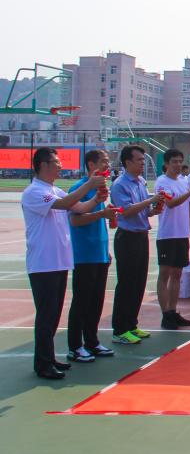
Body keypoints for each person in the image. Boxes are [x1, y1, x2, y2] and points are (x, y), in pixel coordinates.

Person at [24, 148, 108, 378]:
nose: (60, 166)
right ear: (43, 165)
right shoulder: (34, 192)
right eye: (56, 162)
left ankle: (49, 358)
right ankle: (43, 364)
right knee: (46, 315)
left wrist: (96, 200)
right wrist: (89, 185)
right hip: (43, 263)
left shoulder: (54, 190)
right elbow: (65, 204)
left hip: (59, 262)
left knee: (53, 314)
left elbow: (78, 207)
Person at [67, 149, 120, 362]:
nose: (107, 165)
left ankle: (92, 341)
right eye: (103, 161)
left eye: (108, 161)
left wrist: (105, 250)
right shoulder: (79, 189)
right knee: (81, 301)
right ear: (91, 164)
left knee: (96, 301)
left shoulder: (100, 188)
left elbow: (99, 219)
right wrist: (101, 213)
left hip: (99, 254)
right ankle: (75, 346)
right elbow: (75, 220)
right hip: (84, 254)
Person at [109, 145, 164, 344]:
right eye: (139, 159)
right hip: (127, 237)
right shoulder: (119, 184)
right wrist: (150, 201)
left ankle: (131, 324)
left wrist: (154, 209)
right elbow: (125, 210)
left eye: (143, 159)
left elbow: (143, 210)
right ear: (128, 162)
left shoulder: (140, 182)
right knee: (126, 283)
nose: (143, 163)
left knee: (139, 282)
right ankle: (120, 330)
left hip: (141, 235)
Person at [154, 149, 190, 329]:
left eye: (180, 161)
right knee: (165, 274)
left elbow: (188, 209)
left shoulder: (183, 181)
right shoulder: (161, 182)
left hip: (181, 235)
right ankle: (165, 314)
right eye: (174, 161)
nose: (178, 165)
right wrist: (189, 192)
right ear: (166, 164)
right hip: (167, 234)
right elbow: (170, 203)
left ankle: (173, 311)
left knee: (177, 274)